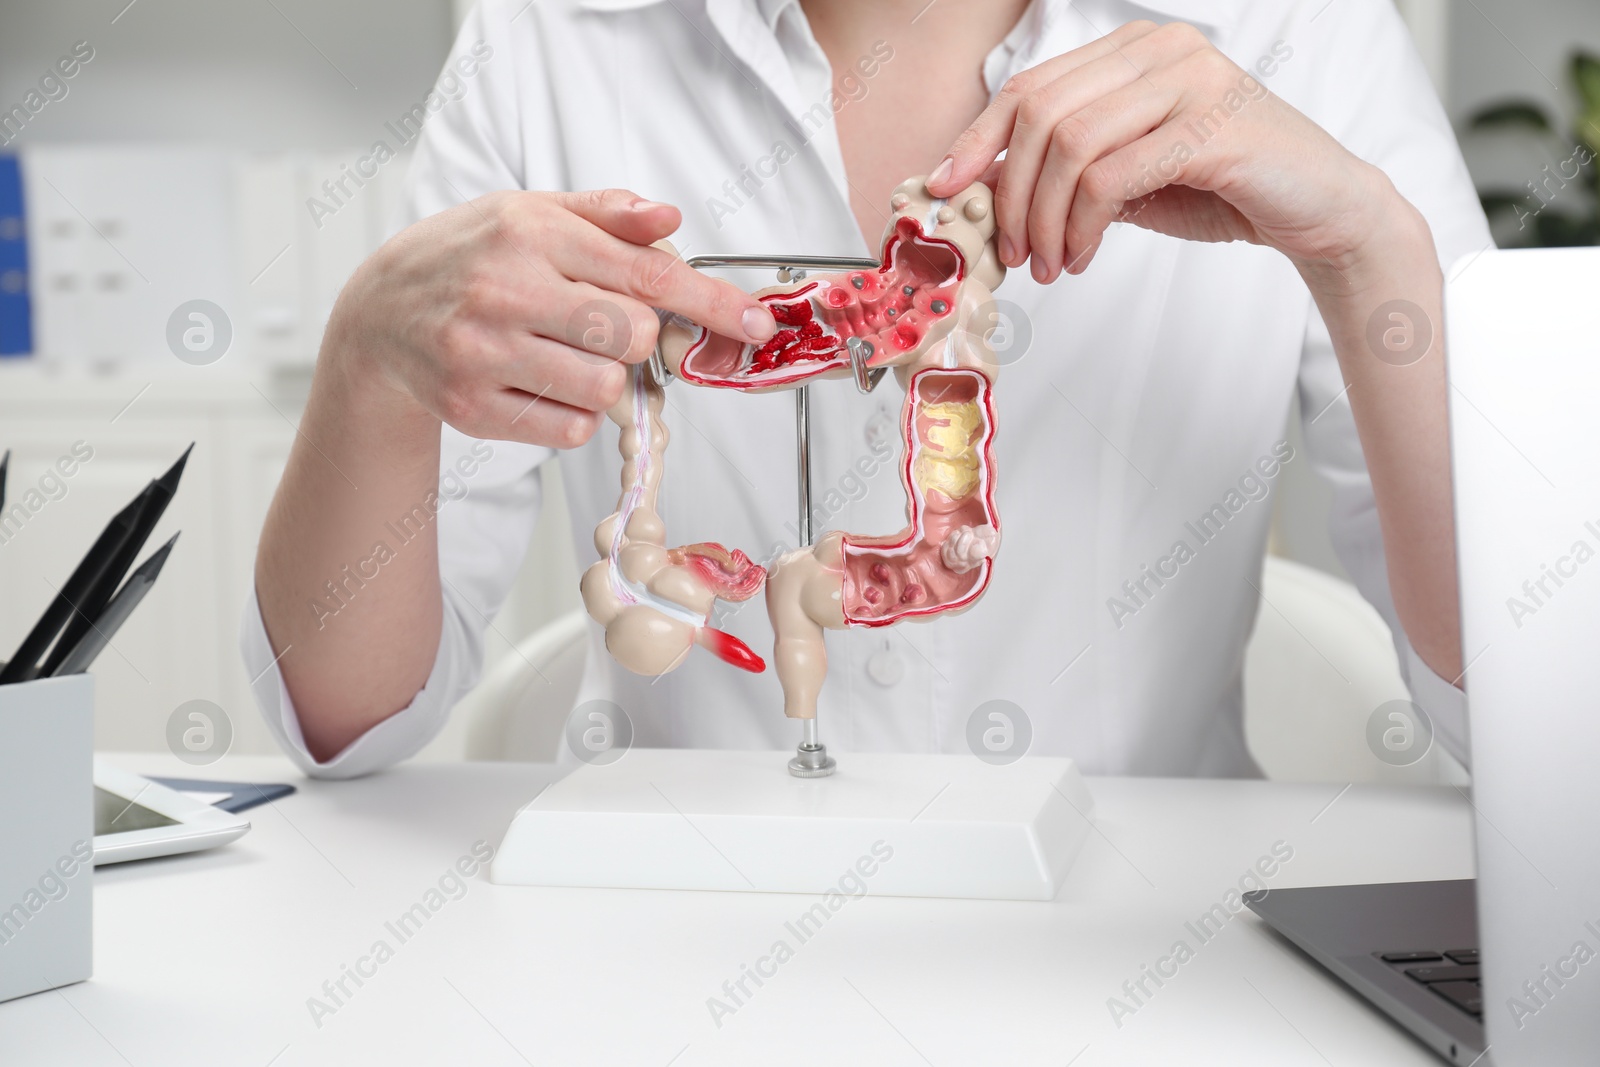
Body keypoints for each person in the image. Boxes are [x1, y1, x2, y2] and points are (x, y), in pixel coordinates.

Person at [244, 0, 1486, 778]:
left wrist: (1368, 247)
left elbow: (1521, 715)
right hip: (654, 953)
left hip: (1137, 962)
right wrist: (370, 363)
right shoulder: (545, 42)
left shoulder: (1305, 31)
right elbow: (351, 721)